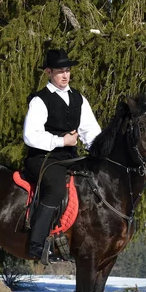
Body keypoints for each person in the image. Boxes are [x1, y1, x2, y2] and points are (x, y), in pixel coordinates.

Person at [23, 48, 101, 264]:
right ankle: (37, 245)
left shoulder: (78, 98)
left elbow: (90, 131)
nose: (65, 75)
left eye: (67, 70)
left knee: (92, 184)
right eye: (60, 71)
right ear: (48, 72)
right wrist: (61, 141)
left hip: (70, 157)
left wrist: (100, 152)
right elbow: (30, 136)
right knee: (56, 189)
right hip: (43, 158)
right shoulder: (40, 100)